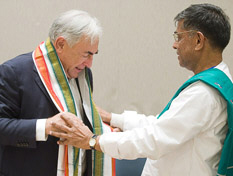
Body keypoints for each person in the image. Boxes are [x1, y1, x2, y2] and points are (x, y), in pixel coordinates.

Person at [50, 3, 233, 176]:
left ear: (199, 40)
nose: (174, 45)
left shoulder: (204, 94)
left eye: (179, 36)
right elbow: (165, 125)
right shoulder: (217, 82)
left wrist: (92, 141)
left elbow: (154, 139)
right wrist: (113, 118)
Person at [0, 10, 115, 176]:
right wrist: (45, 126)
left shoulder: (84, 75)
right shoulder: (14, 72)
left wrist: (104, 130)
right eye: (86, 54)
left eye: (93, 54)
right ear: (61, 44)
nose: (90, 64)